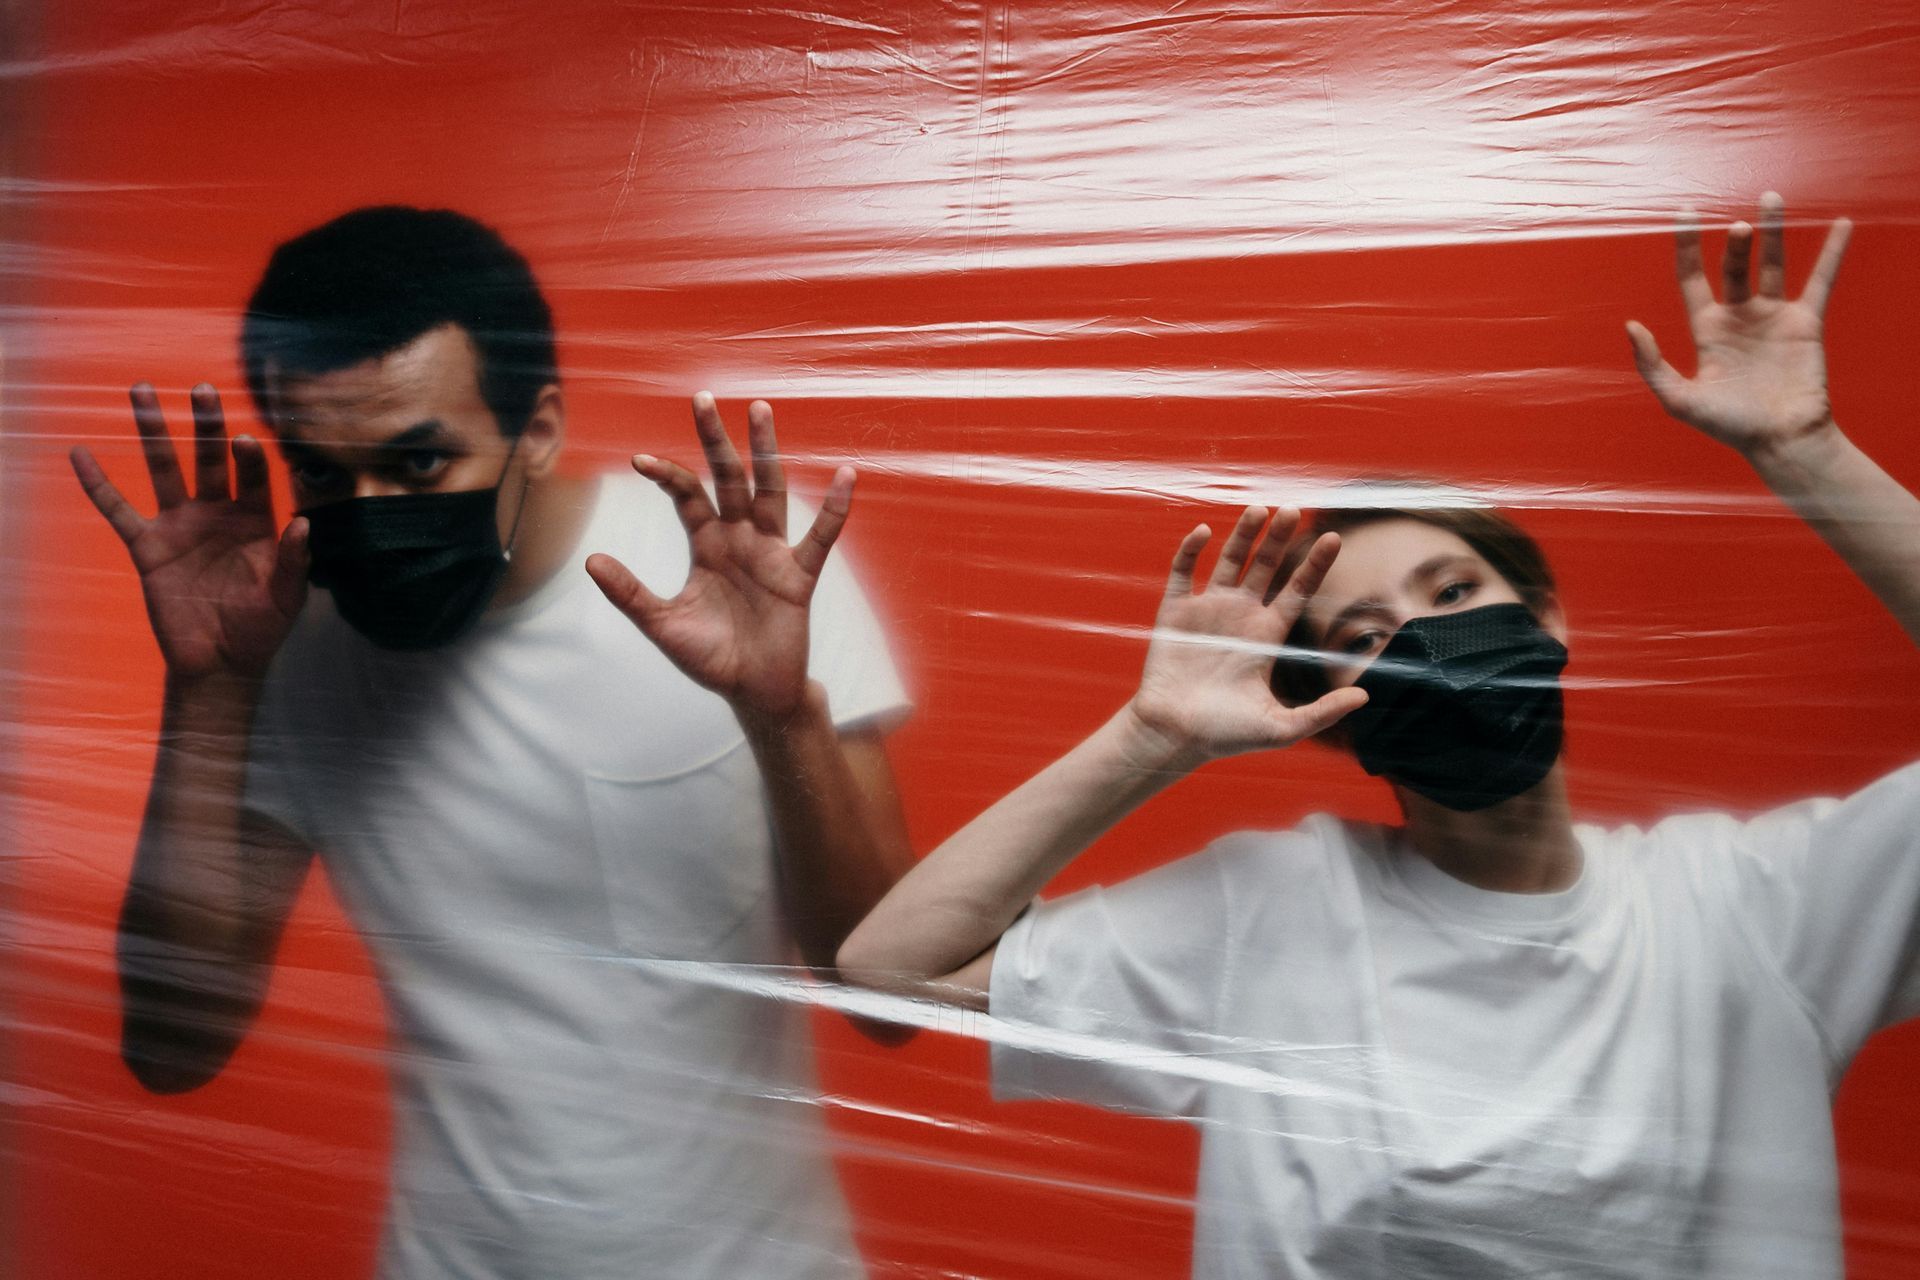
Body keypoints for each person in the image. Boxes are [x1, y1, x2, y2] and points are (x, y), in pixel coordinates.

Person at [838, 193, 1920, 1279]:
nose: (1426, 642)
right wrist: (1150, 734)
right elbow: (887, 968)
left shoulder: (1749, 909)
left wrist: (1807, 451)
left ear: (1546, 617)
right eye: (1365, 637)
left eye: (1453, 591)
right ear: (1329, 711)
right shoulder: (1277, 910)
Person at [69, 206, 913, 1279]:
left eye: (420, 461)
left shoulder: (740, 578)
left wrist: (780, 714)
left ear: (539, 428)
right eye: (321, 473)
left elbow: (892, 1000)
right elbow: (173, 1046)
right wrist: (210, 688)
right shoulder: (291, 645)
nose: (371, 511)